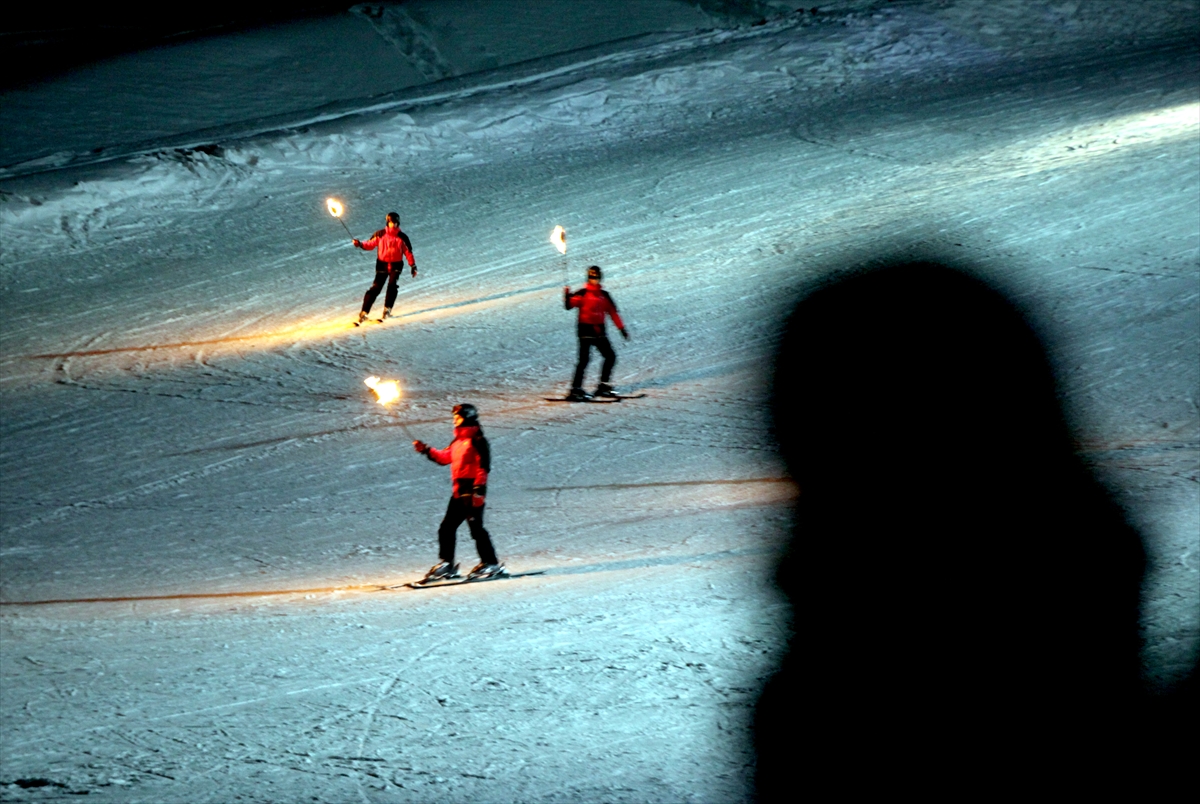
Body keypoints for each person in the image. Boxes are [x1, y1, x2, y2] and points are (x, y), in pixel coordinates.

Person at [412, 404, 506, 582]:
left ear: (467, 417)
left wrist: (478, 491)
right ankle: (447, 564)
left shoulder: (477, 440)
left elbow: (483, 467)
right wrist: (426, 450)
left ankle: (491, 564)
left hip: (472, 491)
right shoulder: (458, 441)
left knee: (476, 528)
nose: (455, 419)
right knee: (446, 528)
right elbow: (445, 458)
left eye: (458, 416)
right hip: (458, 492)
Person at [564, 265, 628, 400]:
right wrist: (567, 296)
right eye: (592, 277)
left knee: (609, 357)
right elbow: (569, 306)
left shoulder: (604, 295)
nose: (594, 280)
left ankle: (602, 386)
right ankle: (576, 389)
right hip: (586, 330)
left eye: (596, 277)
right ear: (588, 278)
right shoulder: (582, 293)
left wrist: (621, 328)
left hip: (599, 331)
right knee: (585, 360)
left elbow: (612, 312)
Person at [352, 211, 416, 324]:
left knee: (392, 285)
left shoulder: (402, 237)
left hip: (396, 264)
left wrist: (413, 265)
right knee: (376, 288)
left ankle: (387, 309)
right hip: (382, 264)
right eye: (391, 223)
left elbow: (408, 252)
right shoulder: (380, 234)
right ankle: (364, 312)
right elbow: (370, 244)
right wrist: (360, 244)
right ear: (387, 222)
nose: (393, 225)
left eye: (395, 223)